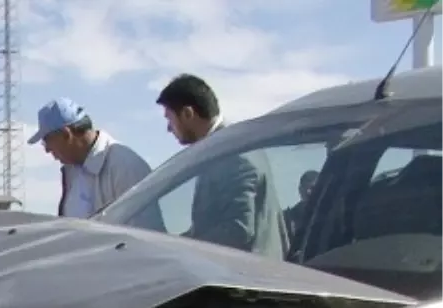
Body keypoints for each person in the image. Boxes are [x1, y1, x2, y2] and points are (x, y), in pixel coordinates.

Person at [155, 74, 287, 259]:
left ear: (187, 114)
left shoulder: (235, 155)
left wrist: (184, 248)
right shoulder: (222, 149)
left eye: (169, 118)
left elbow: (238, 230)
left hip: (246, 280)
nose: (169, 128)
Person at [27, 97, 153, 219]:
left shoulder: (125, 167)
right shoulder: (72, 170)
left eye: (47, 141)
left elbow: (144, 232)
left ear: (66, 134)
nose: (47, 149)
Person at [283, 170, 319, 240]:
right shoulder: (288, 218)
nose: (308, 192)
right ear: (300, 190)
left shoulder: (327, 217)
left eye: (312, 188)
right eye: (305, 187)